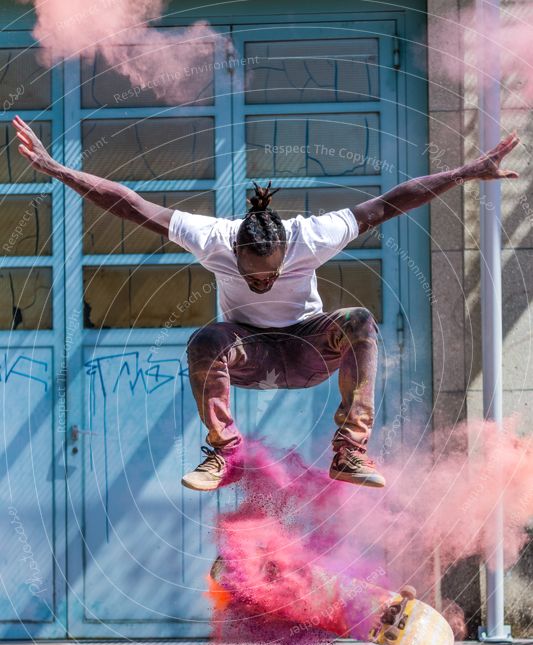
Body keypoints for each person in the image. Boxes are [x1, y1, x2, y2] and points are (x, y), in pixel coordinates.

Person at [13, 116, 519, 491]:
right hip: (249, 354)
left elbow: (392, 201)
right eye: (251, 278)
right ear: (233, 251)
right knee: (207, 338)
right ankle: (222, 454)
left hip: (306, 351)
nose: (261, 284)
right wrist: (58, 170)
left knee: (360, 321)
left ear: (285, 254)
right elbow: (130, 204)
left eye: (270, 276)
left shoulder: (312, 235)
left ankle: (349, 451)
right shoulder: (212, 237)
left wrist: (468, 172)